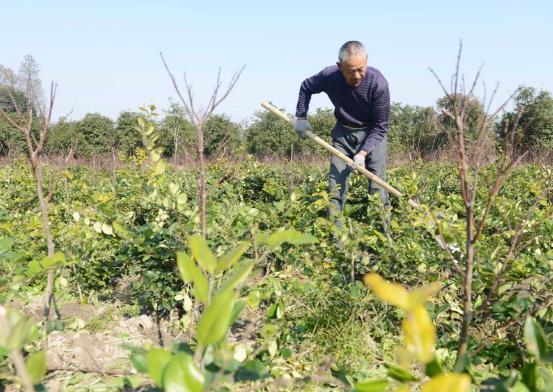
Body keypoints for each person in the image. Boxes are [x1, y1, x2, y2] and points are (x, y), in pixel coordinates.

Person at [294, 40, 391, 224]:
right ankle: (335, 240)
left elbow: (381, 127)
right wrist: (301, 117)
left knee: (378, 186)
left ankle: (384, 240)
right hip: (343, 133)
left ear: (367, 62)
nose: (356, 75)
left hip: (372, 134)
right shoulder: (329, 76)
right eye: (350, 70)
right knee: (335, 187)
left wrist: (363, 153)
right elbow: (306, 87)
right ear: (339, 67)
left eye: (360, 69)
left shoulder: (378, 84)